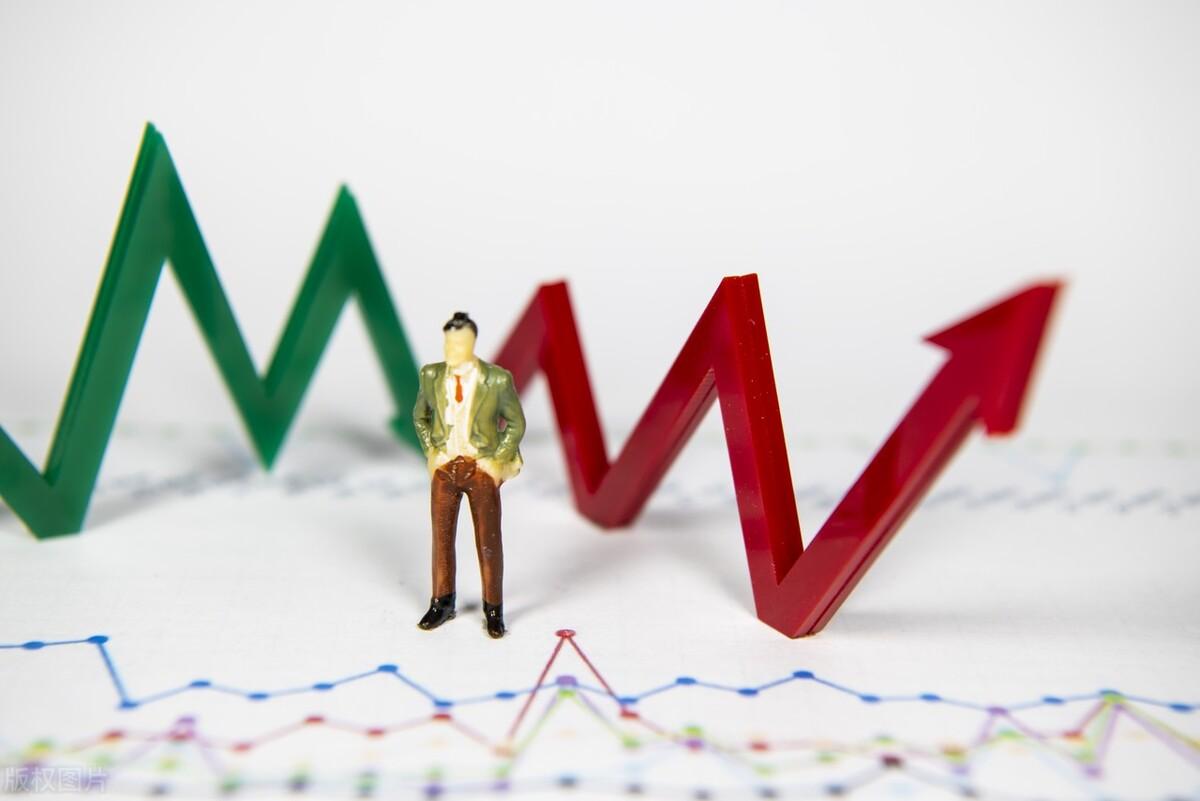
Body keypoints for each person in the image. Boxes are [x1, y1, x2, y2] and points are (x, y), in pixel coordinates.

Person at [411, 312, 526, 638]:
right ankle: (442, 601)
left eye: (459, 344)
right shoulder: (431, 375)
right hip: (445, 469)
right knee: (441, 538)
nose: (452, 350)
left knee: (488, 540)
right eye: (448, 343)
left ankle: (494, 608)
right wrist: (433, 453)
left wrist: (495, 462)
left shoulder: (496, 380)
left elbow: (515, 423)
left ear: (472, 343)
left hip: (480, 469)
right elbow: (420, 416)